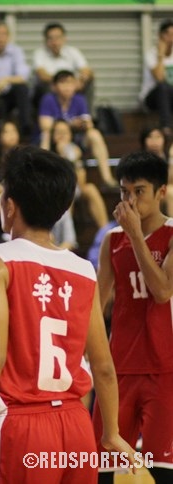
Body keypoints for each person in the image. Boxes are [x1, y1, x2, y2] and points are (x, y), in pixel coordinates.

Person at [0, 146, 135, 484]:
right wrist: (111, 432)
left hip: (21, 425)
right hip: (77, 426)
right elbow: (103, 365)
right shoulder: (83, 269)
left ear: (9, 206)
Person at [93, 150, 173, 483]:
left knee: (163, 472)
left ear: (161, 192)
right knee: (99, 470)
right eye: (124, 192)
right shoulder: (111, 240)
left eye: (139, 191)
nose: (130, 200)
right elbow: (96, 305)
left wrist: (136, 235)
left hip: (164, 368)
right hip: (118, 369)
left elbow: (162, 291)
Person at [38, 70, 115, 187]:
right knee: (57, 139)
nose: (67, 87)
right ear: (54, 86)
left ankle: (107, 178)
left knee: (94, 134)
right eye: (63, 83)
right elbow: (45, 126)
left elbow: (89, 124)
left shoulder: (79, 99)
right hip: (54, 140)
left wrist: (81, 124)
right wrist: (71, 124)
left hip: (74, 138)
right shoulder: (48, 99)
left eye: (70, 83)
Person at [50, 119, 109, 230]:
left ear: (71, 135)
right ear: (52, 136)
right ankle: (67, 237)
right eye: (58, 132)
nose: (62, 136)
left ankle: (104, 231)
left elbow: (81, 181)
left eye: (65, 132)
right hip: (58, 190)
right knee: (68, 193)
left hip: (76, 186)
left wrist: (73, 158)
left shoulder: (75, 150)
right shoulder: (49, 153)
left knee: (91, 189)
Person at [33, 22, 95, 111]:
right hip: (52, 87)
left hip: (71, 87)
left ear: (64, 38)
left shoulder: (73, 51)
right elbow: (42, 75)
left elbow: (86, 70)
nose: (55, 42)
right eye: (51, 38)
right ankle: (53, 118)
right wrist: (63, 84)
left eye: (58, 38)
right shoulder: (39, 53)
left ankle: (86, 116)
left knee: (89, 80)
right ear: (45, 40)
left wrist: (81, 80)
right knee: (45, 86)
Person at [140, 19, 173, 132]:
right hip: (152, 99)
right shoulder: (151, 54)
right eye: (169, 34)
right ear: (161, 36)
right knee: (163, 87)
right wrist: (161, 55)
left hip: (171, 97)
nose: (171, 38)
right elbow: (159, 78)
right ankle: (166, 127)